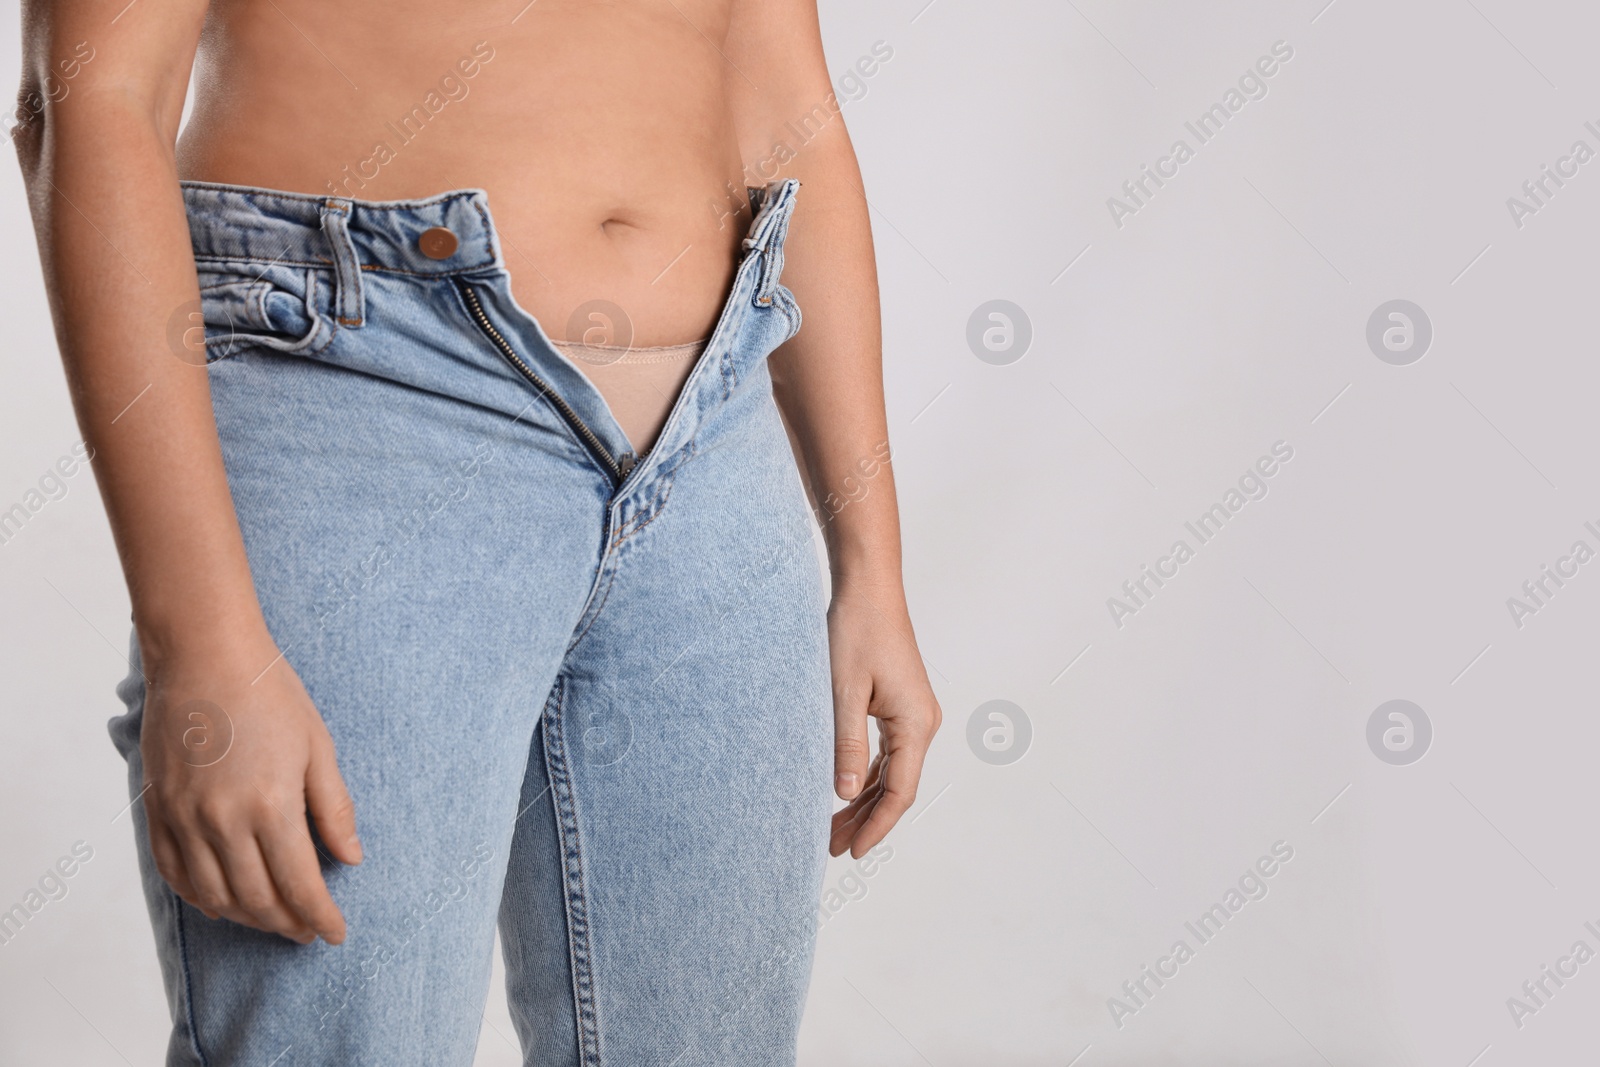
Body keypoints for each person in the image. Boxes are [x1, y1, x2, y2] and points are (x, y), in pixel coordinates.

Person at [14, 0, 942, 1063]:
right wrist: (201, 641)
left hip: (715, 438)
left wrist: (869, 561)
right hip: (364, 402)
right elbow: (89, 98)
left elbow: (789, 107)